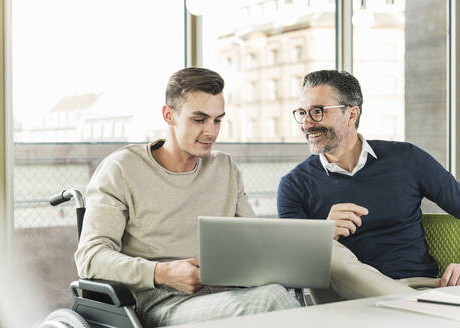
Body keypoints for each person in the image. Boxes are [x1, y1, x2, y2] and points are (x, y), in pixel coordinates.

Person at [75, 67, 299, 327]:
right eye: (199, 119)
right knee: (269, 300)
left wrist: (289, 258)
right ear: (169, 115)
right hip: (161, 305)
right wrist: (163, 273)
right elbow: (89, 257)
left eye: (217, 120)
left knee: (285, 293)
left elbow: (254, 243)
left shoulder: (225, 168)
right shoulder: (122, 169)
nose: (211, 132)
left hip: (229, 294)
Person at [277, 69, 460, 302]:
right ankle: (420, 308)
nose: (306, 124)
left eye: (317, 112)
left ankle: (411, 304)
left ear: (351, 114)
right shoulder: (294, 185)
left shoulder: (407, 158)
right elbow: (290, 270)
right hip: (344, 303)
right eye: (302, 113)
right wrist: (324, 234)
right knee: (324, 250)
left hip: (419, 287)